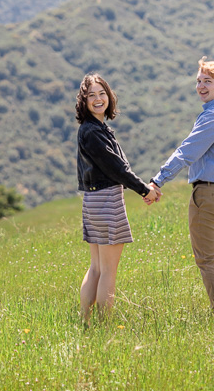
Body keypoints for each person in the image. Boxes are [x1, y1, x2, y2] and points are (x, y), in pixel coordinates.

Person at [149, 57, 214, 308]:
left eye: (208, 81)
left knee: (207, 259)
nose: (201, 86)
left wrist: (158, 181)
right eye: (198, 81)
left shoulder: (213, 117)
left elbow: (186, 152)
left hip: (211, 194)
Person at [76, 73, 159, 321]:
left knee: (97, 268)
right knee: (108, 271)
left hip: (92, 202)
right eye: (91, 95)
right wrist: (144, 190)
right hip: (106, 201)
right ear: (84, 101)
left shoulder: (92, 130)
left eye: (102, 93)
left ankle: (85, 320)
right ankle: (104, 325)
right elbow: (117, 168)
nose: (98, 99)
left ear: (109, 97)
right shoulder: (94, 133)